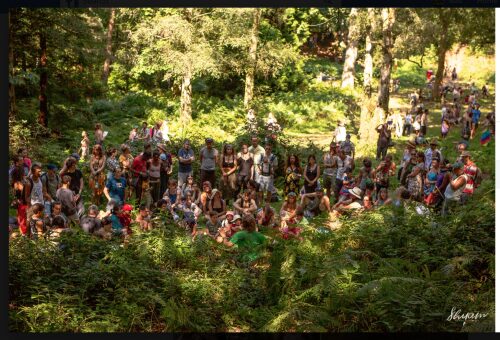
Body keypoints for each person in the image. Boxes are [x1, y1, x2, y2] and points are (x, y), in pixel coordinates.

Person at [10, 165, 29, 236]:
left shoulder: (16, 183)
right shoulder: (20, 183)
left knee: (22, 220)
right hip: (23, 204)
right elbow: (24, 195)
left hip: (21, 204)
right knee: (23, 220)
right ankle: (24, 234)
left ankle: (23, 234)